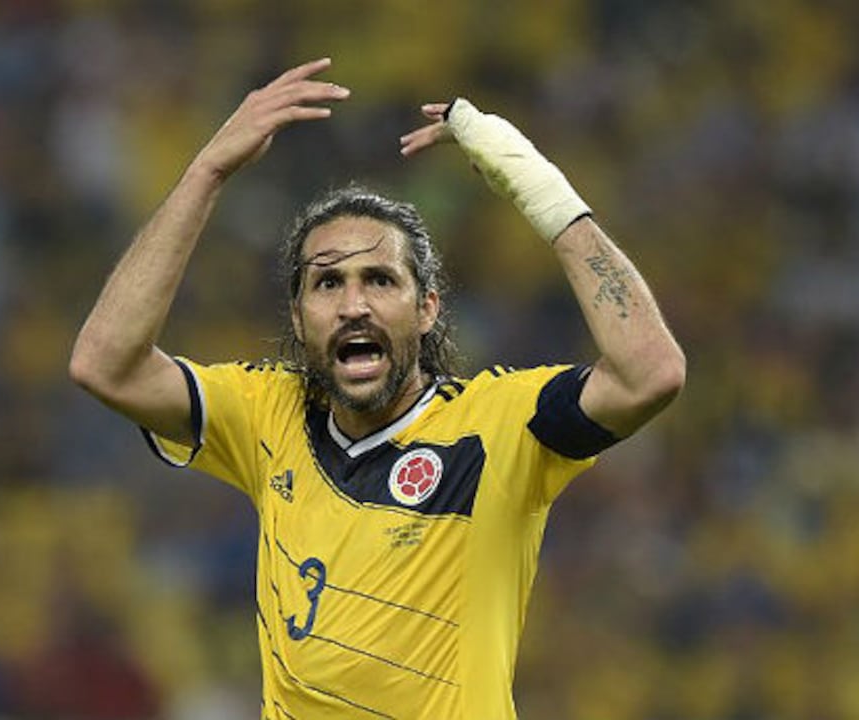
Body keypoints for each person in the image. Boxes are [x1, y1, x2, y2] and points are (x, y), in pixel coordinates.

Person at [70, 57, 684, 719]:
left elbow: (649, 372)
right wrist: (205, 173)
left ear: (426, 309)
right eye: (328, 283)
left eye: (380, 280)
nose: (353, 304)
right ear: (300, 318)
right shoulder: (266, 416)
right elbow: (108, 364)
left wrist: (542, 191)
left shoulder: (498, 427)